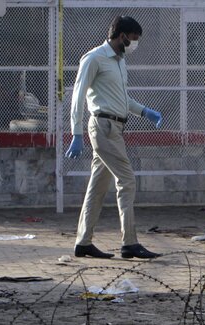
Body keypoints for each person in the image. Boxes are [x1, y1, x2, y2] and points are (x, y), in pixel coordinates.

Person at [66, 15, 162, 259]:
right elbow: (77, 96)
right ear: (121, 36)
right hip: (103, 126)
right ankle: (129, 243)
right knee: (127, 180)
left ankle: (83, 242)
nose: (134, 44)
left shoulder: (119, 61)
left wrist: (145, 112)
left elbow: (122, 99)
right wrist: (76, 133)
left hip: (115, 128)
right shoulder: (94, 58)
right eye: (133, 40)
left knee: (97, 187)